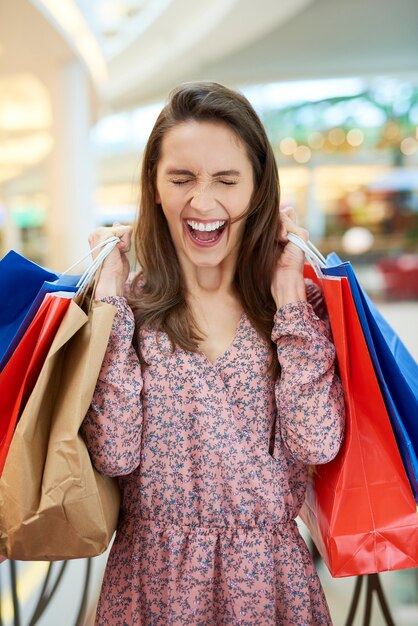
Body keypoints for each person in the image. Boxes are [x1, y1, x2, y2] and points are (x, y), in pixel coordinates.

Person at [83, 81, 345, 625]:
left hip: (271, 589)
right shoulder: (129, 311)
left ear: (257, 188)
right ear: (154, 187)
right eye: (181, 179)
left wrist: (291, 293)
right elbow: (113, 454)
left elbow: (317, 441)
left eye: (227, 180)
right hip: (151, 587)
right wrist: (109, 297)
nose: (203, 202)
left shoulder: (296, 310)